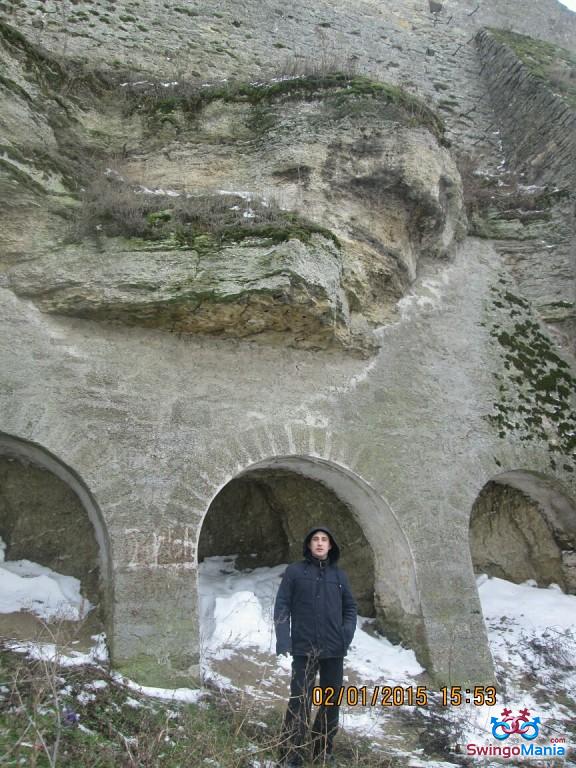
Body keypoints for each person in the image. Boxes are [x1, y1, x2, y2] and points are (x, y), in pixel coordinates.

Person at [274, 526, 357, 767]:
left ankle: (323, 751)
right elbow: (282, 606)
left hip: (334, 649)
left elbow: (350, 608)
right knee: (300, 700)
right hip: (304, 648)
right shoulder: (295, 572)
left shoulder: (339, 576)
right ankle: (292, 753)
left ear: (331, 546)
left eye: (324, 540)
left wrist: (347, 633)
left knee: (330, 700)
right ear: (309, 545)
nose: (320, 543)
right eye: (315, 540)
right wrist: (283, 639)